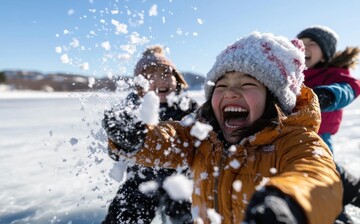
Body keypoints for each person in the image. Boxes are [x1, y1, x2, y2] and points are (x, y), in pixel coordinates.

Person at [102, 32, 343, 223]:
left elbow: (315, 174)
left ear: (274, 99)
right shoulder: (205, 136)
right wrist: (138, 139)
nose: (231, 92)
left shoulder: (294, 141)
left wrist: (290, 203)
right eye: (221, 85)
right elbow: (173, 139)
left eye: (247, 83)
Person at [102, 45, 198, 224]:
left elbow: (200, 141)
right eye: (149, 76)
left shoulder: (188, 106)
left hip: (180, 181)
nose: (159, 80)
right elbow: (115, 149)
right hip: (141, 180)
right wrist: (122, 143)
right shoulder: (131, 107)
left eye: (166, 73)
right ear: (140, 85)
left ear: (176, 78)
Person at [297, 25, 360, 223]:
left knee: (323, 184)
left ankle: (337, 216)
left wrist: (327, 95)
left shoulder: (334, 75)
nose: (304, 46)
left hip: (319, 140)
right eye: (301, 43)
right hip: (285, 137)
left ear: (324, 55)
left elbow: (349, 89)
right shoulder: (291, 75)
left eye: (312, 43)